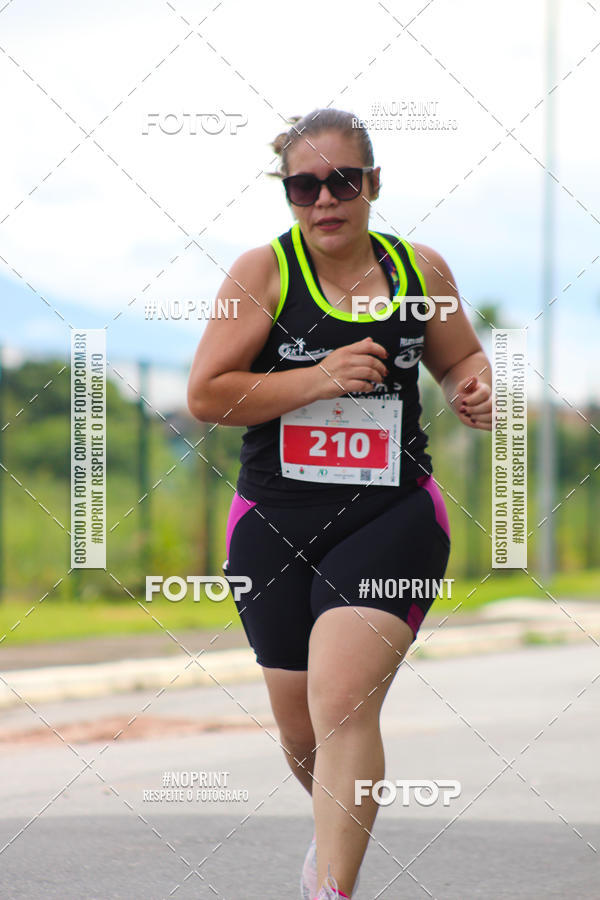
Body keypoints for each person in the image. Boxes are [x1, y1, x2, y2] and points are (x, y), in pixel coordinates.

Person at [187, 108, 492, 899]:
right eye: (304, 185)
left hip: (389, 514)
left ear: (373, 184)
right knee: (300, 732)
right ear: (288, 193)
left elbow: (461, 359)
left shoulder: (420, 271)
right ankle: (331, 844)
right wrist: (320, 376)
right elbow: (207, 395)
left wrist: (474, 389)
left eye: (342, 181)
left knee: (341, 702)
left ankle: (331, 888)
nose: (324, 199)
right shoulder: (261, 273)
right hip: (272, 521)